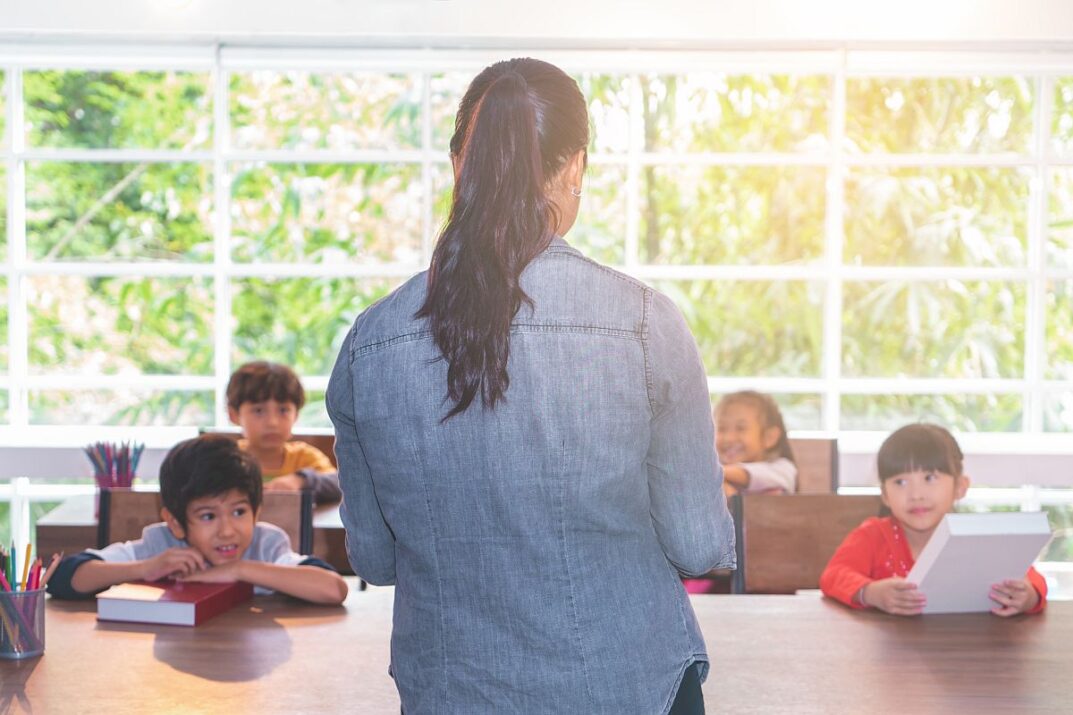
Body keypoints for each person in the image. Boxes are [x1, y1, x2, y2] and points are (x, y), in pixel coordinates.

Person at [326, 57, 734, 714]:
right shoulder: (642, 324)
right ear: (572, 168)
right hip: (627, 686)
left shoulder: (370, 344)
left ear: (461, 163)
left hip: (451, 692)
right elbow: (697, 544)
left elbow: (374, 559)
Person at [47, 435, 347, 605]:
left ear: (257, 511)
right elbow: (62, 577)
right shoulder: (161, 544)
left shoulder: (266, 544)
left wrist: (240, 569)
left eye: (239, 512)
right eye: (207, 516)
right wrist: (146, 568)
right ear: (176, 523)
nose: (227, 530)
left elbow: (333, 589)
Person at [820, 423, 1046, 617]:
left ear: (960, 487)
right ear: (885, 495)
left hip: (968, 655)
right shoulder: (873, 535)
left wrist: (1027, 596)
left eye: (930, 478)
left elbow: (1032, 578)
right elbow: (833, 575)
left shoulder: (978, 538)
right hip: (892, 657)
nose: (916, 494)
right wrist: (870, 593)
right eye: (900, 482)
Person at [227, 360, 341, 504]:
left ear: (296, 416)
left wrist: (301, 480)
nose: (272, 422)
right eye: (258, 411)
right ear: (234, 415)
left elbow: (339, 483)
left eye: (283, 410)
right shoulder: (226, 459)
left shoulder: (304, 457)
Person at [714, 390, 797, 496]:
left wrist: (715, 473)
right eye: (721, 428)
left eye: (741, 428)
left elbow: (756, 475)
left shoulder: (783, 469)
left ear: (769, 437)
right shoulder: (717, 475)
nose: (729, 438)